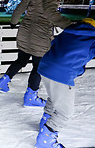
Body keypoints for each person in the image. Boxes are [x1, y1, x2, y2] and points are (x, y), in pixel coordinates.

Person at [0, 0, 73, 107]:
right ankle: (31, 96)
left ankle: (3, 81)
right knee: (38, 66)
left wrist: (13, 21)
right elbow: (51, 14)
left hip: (25, 31)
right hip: (40, 34)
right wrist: (71, 26)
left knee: (21, 59)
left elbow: (20, 7)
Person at [35, 18, 95, 148]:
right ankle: (45, 140)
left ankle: (45, 122)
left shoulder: (68, 31)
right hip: (62, 72)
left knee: (54, 96)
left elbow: (55, 44)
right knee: (65, 112)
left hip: (45, 66)